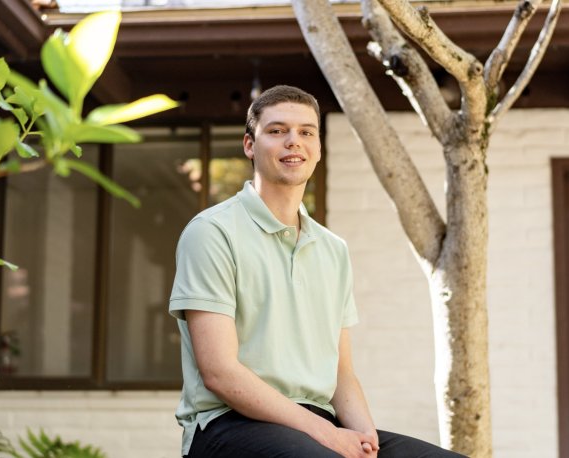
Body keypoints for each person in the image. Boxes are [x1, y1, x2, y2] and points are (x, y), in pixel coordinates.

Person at [169, 85, 464, 458]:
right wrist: (327, 434)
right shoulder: (212, 233)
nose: (294, 141)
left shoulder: (332, 249)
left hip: (316, 421)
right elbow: (220, 373)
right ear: (249, 145)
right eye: (277, 131)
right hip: (227, 424)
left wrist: (364, 439)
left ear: (318, 149)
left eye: (306, 132)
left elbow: (342, 372)